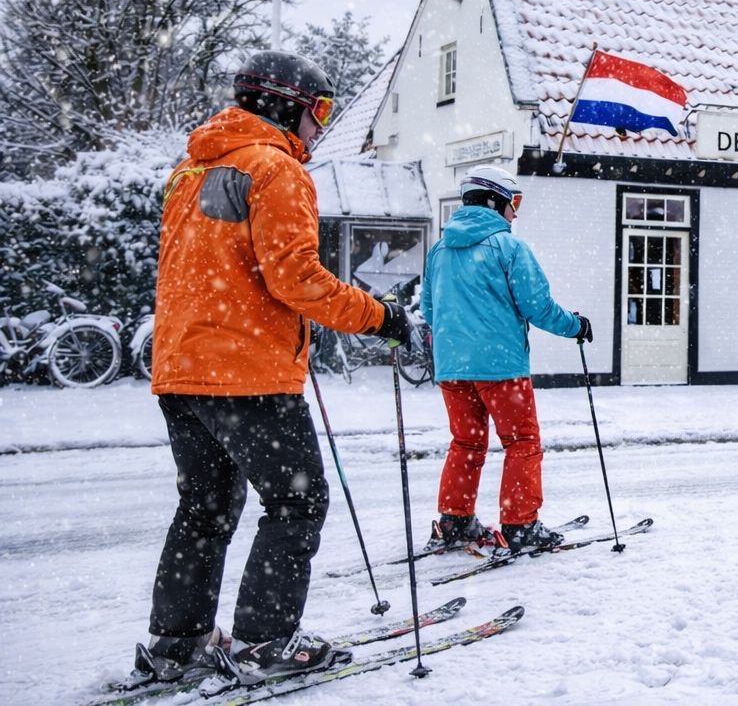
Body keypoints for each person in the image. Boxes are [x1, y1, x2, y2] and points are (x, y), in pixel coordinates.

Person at [137, 50, 416, 686]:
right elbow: (297, 279)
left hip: (181, 370)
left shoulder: (189, 171)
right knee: (298, 503)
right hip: (248, 373)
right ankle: (265, 643)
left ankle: (176, 643)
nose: (320, 128)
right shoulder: (276, 169)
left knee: (203, 508)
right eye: (318, 112)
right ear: (284, 104)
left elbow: (216, 273)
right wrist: (383, 317)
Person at [420, 164, 591, 556]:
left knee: (466, 442)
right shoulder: (508, 247)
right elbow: (538, 307)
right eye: (514, 202)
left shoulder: (439, 250)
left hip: (452, 368)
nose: (515, 213)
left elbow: (430, 309)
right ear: (495, 200)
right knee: (521, 442)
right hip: (502, 368)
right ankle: (520, 524)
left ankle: (456, 520)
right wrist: (576, 326)